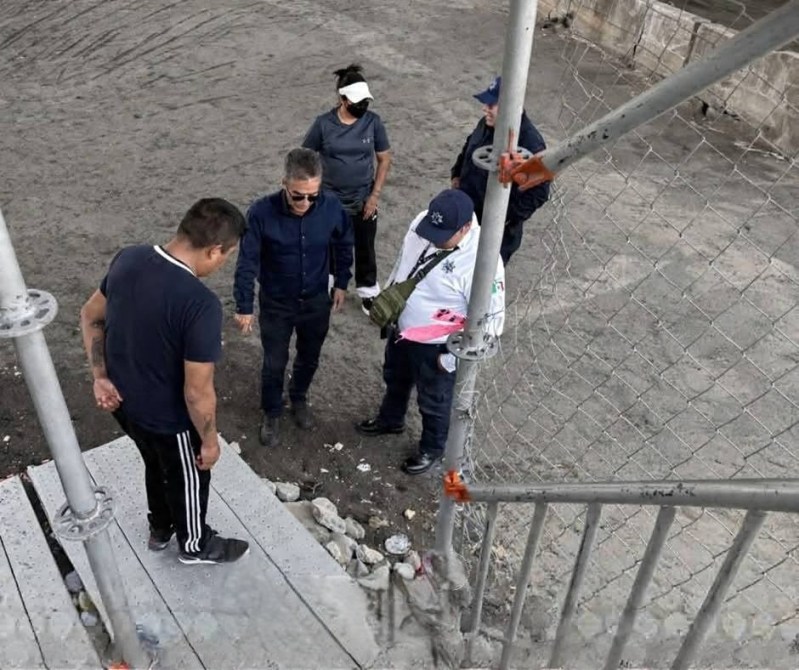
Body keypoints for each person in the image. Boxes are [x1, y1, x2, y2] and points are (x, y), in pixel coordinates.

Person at [79, 198, 249, 565]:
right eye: (226, 256)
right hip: (168, 419)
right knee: (189, 475)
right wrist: (209, 440)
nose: (221, 265)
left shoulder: (129, 258)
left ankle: (160, 528)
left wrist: (100, 377)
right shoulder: (200, 304)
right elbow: (197, 391)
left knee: (155, 463)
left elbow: (91, 316)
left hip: (124, 404)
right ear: (215, 250)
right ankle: (194, 544)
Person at [356, 189, 505, 475]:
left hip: (438, 345)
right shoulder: (424, 222)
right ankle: (391, 420)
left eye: (441, 235)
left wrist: (450, 360)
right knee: (394, 377)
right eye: (430, 230)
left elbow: (492, 321)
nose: (432, 238)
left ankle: (432, 449)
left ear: (464, 229)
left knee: (434, 400)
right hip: (403, 328)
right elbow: (404, 264)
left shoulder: (484, 260)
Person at [233, 148, 353, 448]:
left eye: (313, 196)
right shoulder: (261, 213)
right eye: (298, 195)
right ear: (284, 183)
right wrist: (244, 305)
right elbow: (247, 261)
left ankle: (298, 397)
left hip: (315, 301)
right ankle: (272, 411)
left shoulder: (331, 208)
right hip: (277, 303)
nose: (305, 203)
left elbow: (343, 243)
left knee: (309, 356)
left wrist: (341, 282)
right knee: (274, 361)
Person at [303, 63, 392, 315]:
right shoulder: (323, 125)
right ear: (342, 100)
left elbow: (384, 158)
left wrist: (374, 196)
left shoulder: (373, 123)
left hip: (363, 200)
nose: (362, 106)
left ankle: (368, 291)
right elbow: (306, 157)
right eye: (356, 101)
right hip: (329, 201)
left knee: (365, 246)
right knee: (329, 244)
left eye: (365, 101)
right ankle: (330, 281)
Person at [451, 75, 550, 265]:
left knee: (482, 278)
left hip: (495, 233)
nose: (485, 109)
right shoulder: (488, 123)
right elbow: (469, 146)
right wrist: (457, 174)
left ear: (510, 107)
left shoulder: (529, 143)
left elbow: (538, 194)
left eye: (491, 105)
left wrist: (500, 217)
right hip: (466, 218)